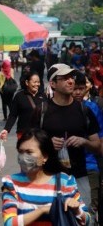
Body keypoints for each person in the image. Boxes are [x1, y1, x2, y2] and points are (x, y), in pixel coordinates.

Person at [42, 63, 101, 211]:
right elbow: (26, 147)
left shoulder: (84, 111)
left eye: (71, 77)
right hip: (48, 177)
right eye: (64, 78)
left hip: (78, 178)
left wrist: (84, 142)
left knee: (83, 218)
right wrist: (48, 143)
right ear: (53, 84)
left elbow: (98, 146)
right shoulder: (41, 112)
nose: (71, 81)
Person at [1, 128, 90, 225]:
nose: (23, 157)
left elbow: (87, 220)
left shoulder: (65, 182)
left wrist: (76, 210)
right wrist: (42, 210)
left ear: (45, 157)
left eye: (29, 152)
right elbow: (9, 223)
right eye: (21, 152)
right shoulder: (11, 183)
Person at [72, 72, 103, 223]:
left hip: (89, 167)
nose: (78, 92)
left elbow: (100, 143)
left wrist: (85, 142)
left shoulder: (91, 109)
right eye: (75, 88)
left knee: (89, 211)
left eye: (81, 88)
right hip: (65, 169)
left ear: (86, 89)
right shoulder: (57, 109)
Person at [0, 71, 46, 141]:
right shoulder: (19, 96)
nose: (37, 84)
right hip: (24, 134)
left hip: (40, 134)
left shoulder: (43, 96)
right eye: (34, 82)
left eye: (38, 82)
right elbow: (13, 115)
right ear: (27, 82)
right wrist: (6, 129)